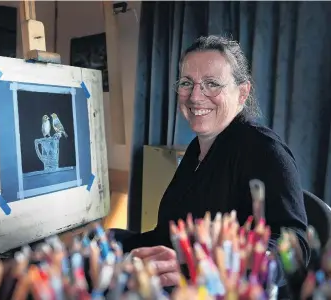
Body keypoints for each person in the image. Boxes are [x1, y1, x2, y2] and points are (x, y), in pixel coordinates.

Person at [119, 35, 309, 288]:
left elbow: (295, 246)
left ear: (243, 93)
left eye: (212, 84)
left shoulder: (265, 151)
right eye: (187, 83)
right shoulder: (196, 150)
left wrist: (211, 274)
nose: (195, 97)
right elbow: (167, 234)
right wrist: (115, 247)